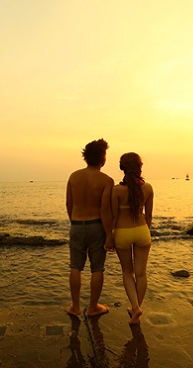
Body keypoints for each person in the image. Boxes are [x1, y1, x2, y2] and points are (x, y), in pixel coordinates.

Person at [65, 139, 114, 317]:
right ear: (102, 158)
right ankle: (93, 307)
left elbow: (69, 204)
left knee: (75, 266)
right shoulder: (106, 180)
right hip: (96, 226)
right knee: (97, 268)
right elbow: (105, 209)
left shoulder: (73, 177)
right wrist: (109, 234)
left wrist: (75, 223)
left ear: (85, 157)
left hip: (77, 225)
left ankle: (75, 307)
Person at [109, 152, 154, 324]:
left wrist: (110, 237)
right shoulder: (148, 188)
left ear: (122, 167)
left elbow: (113, 217)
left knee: (128, 272)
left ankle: (135, 308)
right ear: (140, 167)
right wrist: (146, 233)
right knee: (141, 274)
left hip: (123, 232)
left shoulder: (116, 190)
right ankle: (136, 307)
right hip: (142, 230)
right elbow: (148, 215)